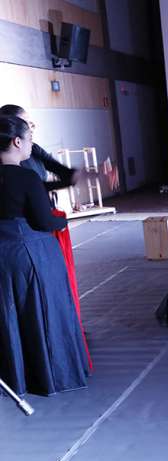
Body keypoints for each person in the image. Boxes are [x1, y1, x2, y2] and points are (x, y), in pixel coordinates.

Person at [0, 115, 89, 396]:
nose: (30, 146)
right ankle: (48, 375)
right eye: (29, 139)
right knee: (42, 314)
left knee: (8, 316)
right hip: (28, 253)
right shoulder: (26, 176)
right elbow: (42, 221)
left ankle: (15, 377)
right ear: (17, 141)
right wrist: (63, 221)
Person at [0, 104, 78, 193]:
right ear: (11, 127)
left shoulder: (34, 148)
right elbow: (30, 188)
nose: (32, 128)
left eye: (30, 123)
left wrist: (77, 175)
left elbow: (61, 171)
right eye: (26, 123)